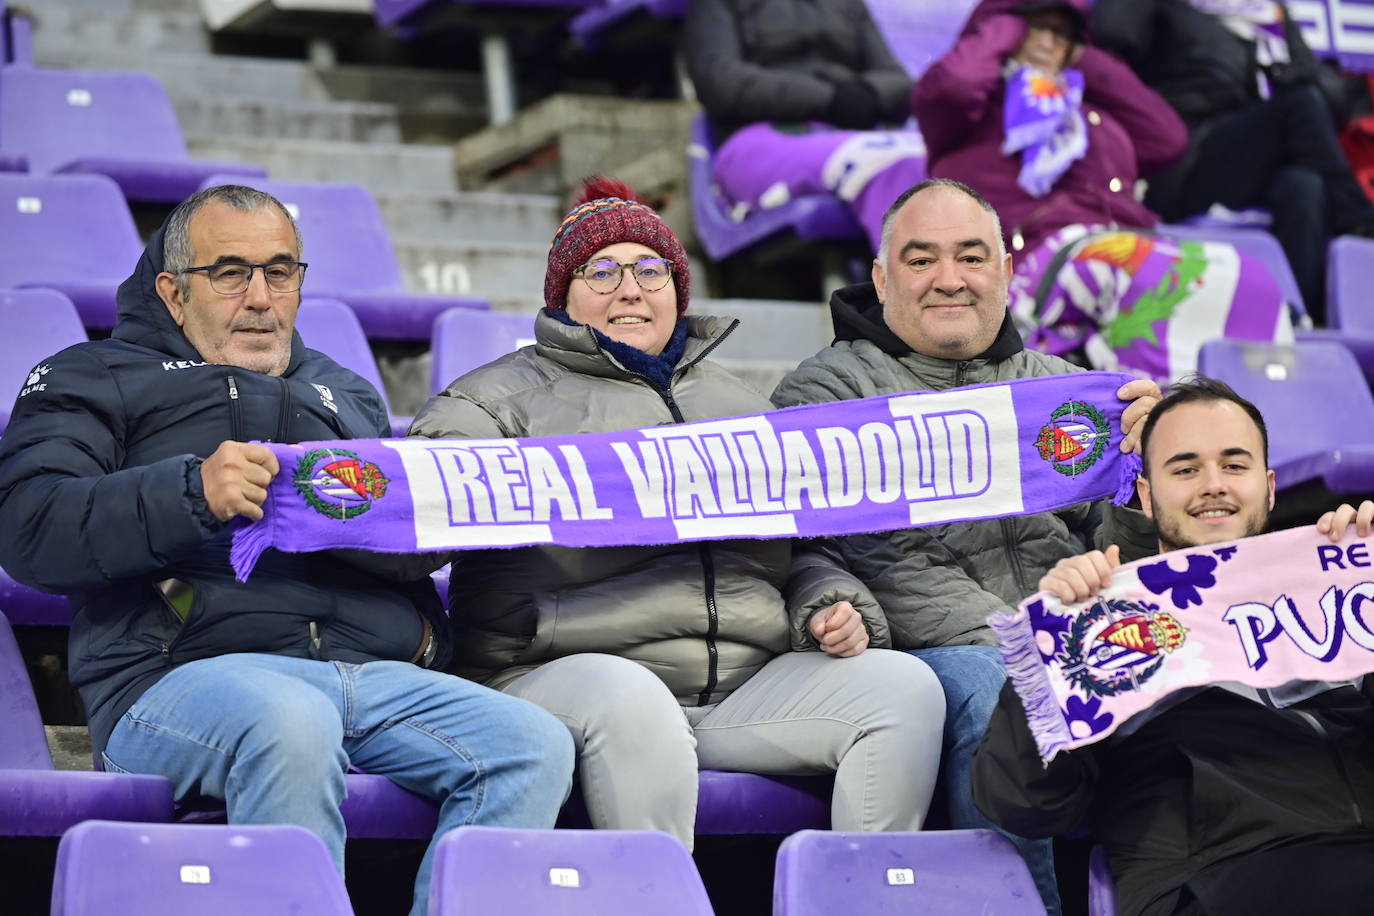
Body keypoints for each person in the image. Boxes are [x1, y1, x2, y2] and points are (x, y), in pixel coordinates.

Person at [0, 185, 574, 916]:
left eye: (282, 272)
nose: (262, 298)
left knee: (532, 746)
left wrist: (416, 528)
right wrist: (192, 492)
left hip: (363, 676)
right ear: (174, 293)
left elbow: (404, 550)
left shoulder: (344, 392)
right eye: (232, 273)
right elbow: (30, 527)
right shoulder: (90, 374)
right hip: (176, 678)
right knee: (290, 724)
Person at [408, 176, 946, 849]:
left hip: (741, 689)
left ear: (677, 290)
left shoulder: (744, 405)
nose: (629, 289)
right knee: (632, 698)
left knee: (902, 690)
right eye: (601, 271)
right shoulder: (492, 403)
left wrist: (826, 602)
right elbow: (422, 504)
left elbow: (805, 544)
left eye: (650, 270)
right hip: (559, 674)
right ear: (563, 298)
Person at [771, 177, 1164, 914]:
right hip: (940, 653)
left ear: (1006, 273)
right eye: (921, 261)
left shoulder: (1071, 390)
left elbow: (1118, 552)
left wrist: (1147, 480)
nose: (949, 279)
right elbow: (871, 556)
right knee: (1001, 692)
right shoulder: (825, 395)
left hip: (1070, 633)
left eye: (970, 256)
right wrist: (1029, 643)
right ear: (882, 279)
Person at [971, 376, 1374, 916]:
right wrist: (1056, 651)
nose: (1213, 485)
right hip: (1218, 879)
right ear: (1147, 494)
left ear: (1269, 487)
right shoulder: (1108, 626)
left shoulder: (1339, 597)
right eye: (1185, 469)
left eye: (1235, 466)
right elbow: (1024, 804)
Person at [914, 0, 1290, 383]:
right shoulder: (969, 111)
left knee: (1245, 271)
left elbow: (1168, 139)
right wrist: (1006, 30)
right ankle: (1165, 416)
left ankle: (1248, 417)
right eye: (1035, 27)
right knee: (1137, 270)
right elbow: (956, 84)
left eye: (1061, 33)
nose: (1048, 41)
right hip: (1029, 257)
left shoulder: (1088, 109)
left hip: (1121, 244)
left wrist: (1083, 58)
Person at [1092, 0, 1374, 323]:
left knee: (1303, 185)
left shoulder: (1270, 14)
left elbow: (1333, 101)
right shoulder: (1169, 10)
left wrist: (1295, 73)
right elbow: (1112, 32)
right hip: (1186, 162)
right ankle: (1360, 223)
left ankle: (1300, 319)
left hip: (1251, 162)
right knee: (1300, 106)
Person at [683, 0, 928, 253]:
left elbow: (897, 78)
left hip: (853, 128)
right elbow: (719, 80)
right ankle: (915, 286)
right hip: (763, 135)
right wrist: (827, 99)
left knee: (945, 157)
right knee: (891, 164)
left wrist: (869, 93)